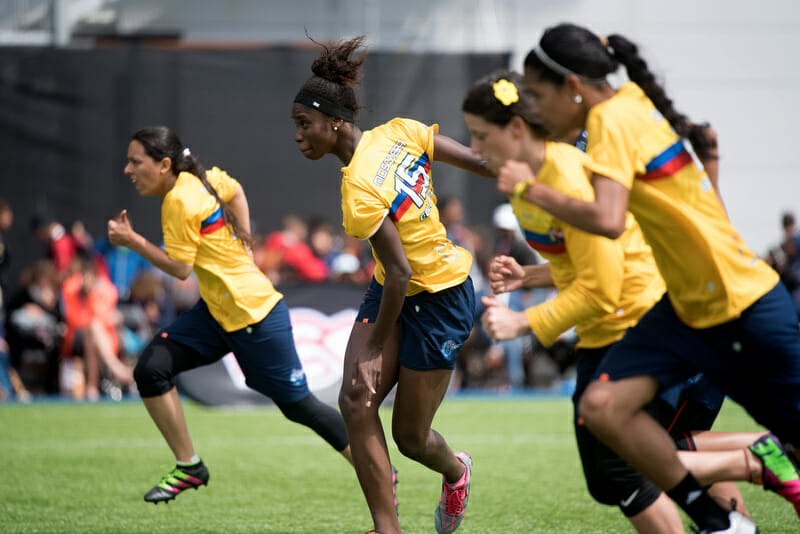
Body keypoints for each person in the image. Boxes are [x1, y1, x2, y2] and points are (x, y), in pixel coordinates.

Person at [499, 22, 800, 532]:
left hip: (738, 305)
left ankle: (757, 462)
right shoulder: (630, 102)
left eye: (538, 94)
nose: (534, 107)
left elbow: (609, 220)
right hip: (685, 309)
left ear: (573, 86)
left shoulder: (611, 121)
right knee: (602, 407)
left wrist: (532, 191)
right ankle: (719, 521)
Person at [461, 70, 752, 533]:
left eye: (480, 136)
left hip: (650, 322)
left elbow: (604, 285)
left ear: (516, 129)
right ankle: (747, 488)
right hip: (612, 328)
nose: (475, 150)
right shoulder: (524, 189)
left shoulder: (567, 176)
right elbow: (588, 266)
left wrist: (524, 324)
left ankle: (753, 473)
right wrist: (529, 275)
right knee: (621, 470)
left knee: (630, 465)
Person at [290, 35, 492, 534]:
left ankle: (457, 471)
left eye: (304, 125)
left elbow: (403, 270)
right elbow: (480, 161)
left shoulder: (358, 187)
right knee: (356, 399)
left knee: (411, 438)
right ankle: (387, 528)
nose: (298, 136)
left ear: (334, 122)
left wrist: (376, 344)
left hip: (441, 296)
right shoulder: (398, 131)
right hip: (394, 290)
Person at [107, 126, 356, 504]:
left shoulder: (179, 200)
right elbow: (236, 189)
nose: (128, 169)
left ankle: (376, 468)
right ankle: (189, 466)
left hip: (254, 315)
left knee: (300, 406)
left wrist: (133, 240)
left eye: (135, 161)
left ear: (164, 165)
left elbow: (179, 268)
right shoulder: (198, 178)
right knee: (151, 368)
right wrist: (246, 241)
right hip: (218, 312)